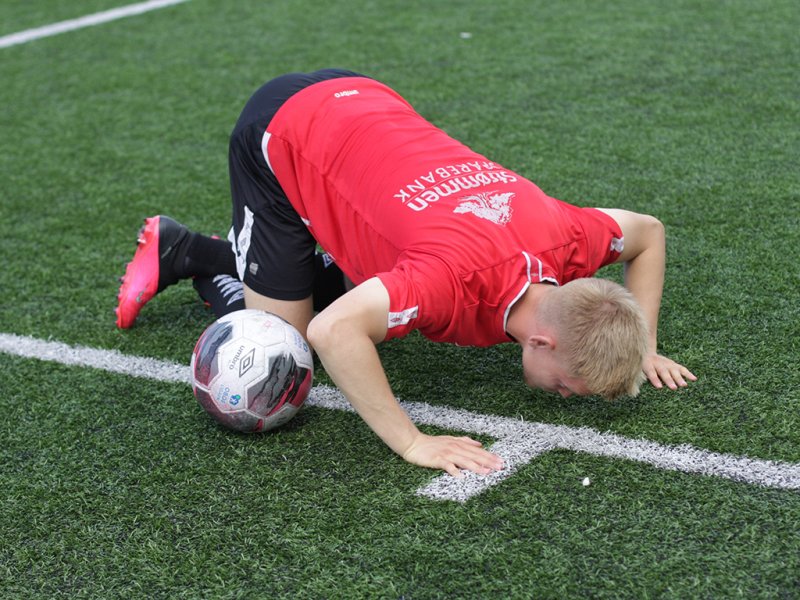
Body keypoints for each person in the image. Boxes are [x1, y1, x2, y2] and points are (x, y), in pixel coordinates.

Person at [116, 68, 696, 478]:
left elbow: (646, 231)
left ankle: (253, 263)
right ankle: (189, 252)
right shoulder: (448, 280)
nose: (566, 395)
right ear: (542, 341)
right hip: (285, 129)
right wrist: (412, 441)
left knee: (359, 288)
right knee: (281, 350)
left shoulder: (568, 238)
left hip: (366, 97)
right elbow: (333, 332)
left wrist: (641, 343)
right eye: (569, 384)